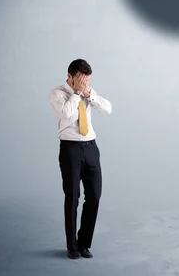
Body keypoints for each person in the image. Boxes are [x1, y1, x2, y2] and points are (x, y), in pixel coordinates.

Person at [49, 59, 112, 259]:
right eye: (81, 80)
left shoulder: (87, 91)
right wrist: (76, 94)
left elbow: (107, 109)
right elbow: (67, 115)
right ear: (70, 76)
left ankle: (84, 243)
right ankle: (72, 246)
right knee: (72, 197)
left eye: (87, 80)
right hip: (70, 149)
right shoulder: (58, 93)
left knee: (94, 195)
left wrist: (89, 94)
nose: (85, 83)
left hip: (91, 147)